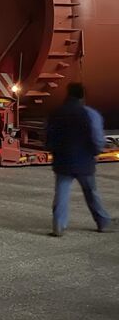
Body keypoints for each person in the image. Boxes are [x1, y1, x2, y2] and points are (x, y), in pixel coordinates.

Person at [45, 83, 113, 236]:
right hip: (84, 161)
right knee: (91, 193)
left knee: (61, 193)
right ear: (82, 96)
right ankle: (102, 221)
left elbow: (49, 135)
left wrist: (53, 150)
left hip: (62, 160)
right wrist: (96, 151)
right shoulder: (89, 113)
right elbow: (96, 137)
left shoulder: (56, 113)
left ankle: (58, 225)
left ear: (67, 94)